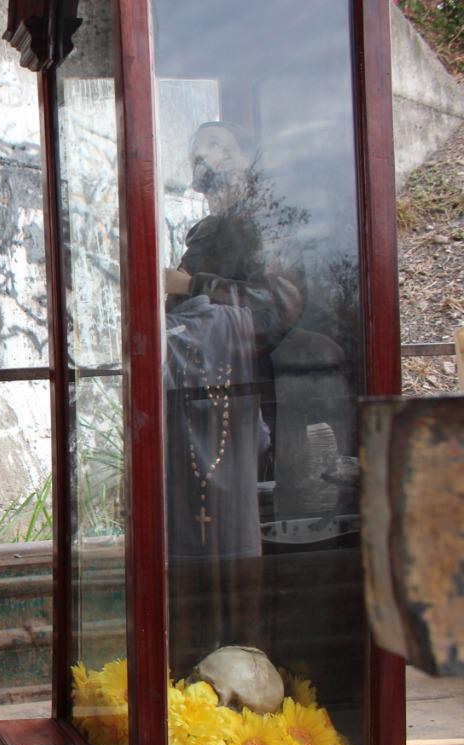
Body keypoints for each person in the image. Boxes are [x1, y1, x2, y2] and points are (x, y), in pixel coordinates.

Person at [163, 122, 303, 670]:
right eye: (196, 153)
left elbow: (279, 307)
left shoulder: (269, 219)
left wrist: (193, 288)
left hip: (252, 395)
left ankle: (251, 659)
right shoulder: (207, 230)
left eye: (217, 147)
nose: (206, 161)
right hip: (195, 402)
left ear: (244, 154)